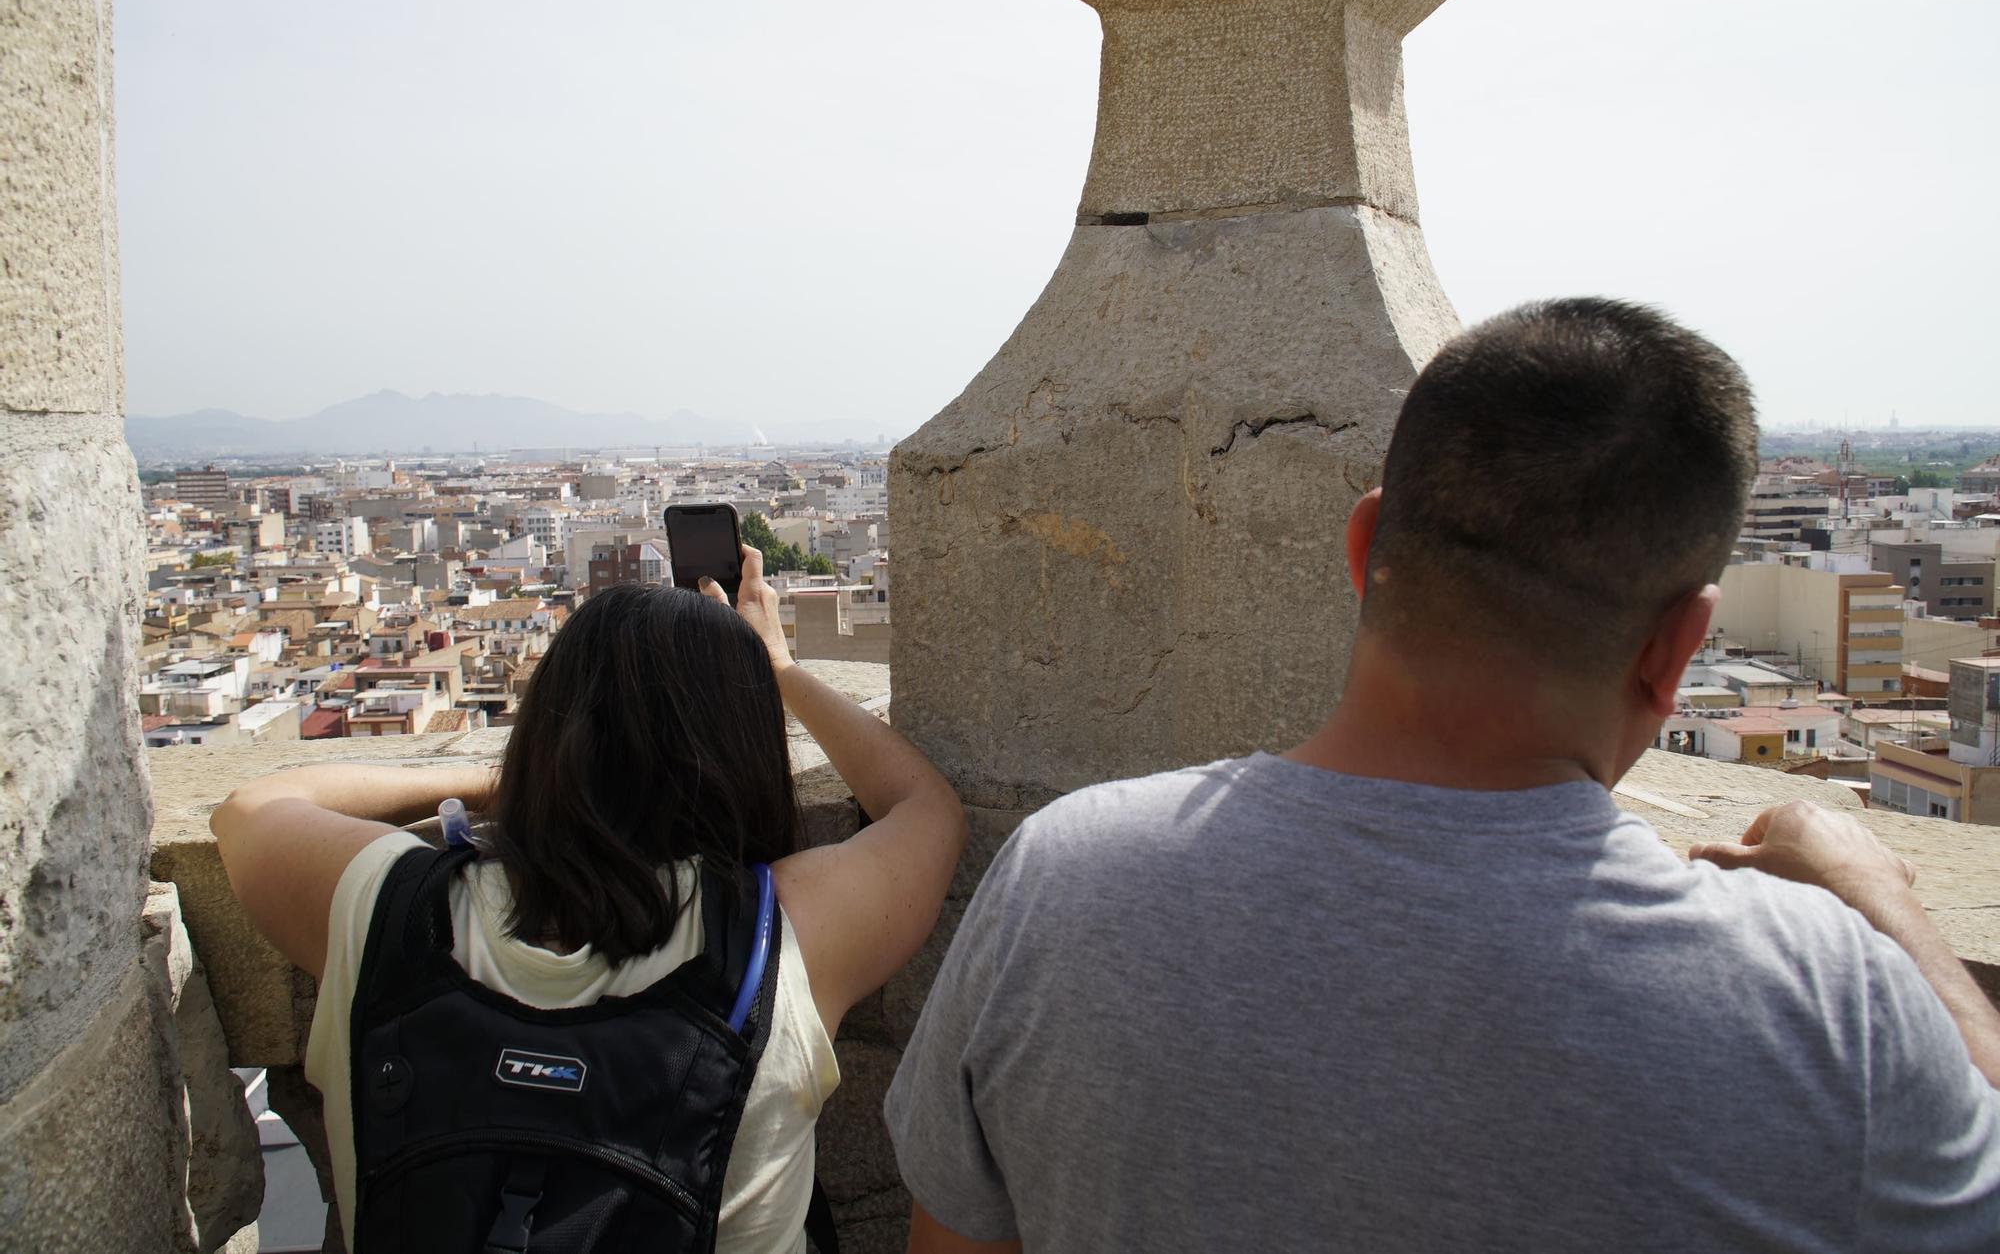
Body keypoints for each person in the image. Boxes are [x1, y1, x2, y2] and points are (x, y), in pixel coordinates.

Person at [884, 299, 2000, 1252]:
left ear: (1364, 548)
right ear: (1677, 648)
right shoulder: (1828, 1009)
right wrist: (1892, 917)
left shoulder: (1061, 886)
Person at [214, 546, 965, 1252]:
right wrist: (778, 666)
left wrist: (501, 783)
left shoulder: (390, 912)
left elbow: (251, 808)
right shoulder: (782, 938)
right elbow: (926, 809)